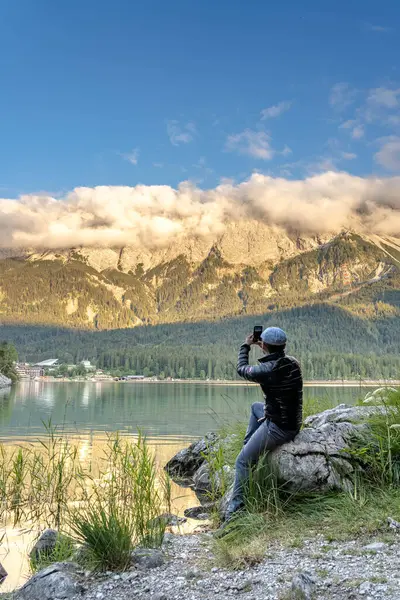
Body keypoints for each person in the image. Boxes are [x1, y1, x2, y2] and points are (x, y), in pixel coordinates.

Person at [224, 326, 303, 523]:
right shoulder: (292, 363)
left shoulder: (268, 369)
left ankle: (235, 514)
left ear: (265, 345)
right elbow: (277, 358)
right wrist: (266, 348)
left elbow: (242, 369)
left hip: (279, 427)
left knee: (241, 462)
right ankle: (249, 447)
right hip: (290, 420)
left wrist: (246, 346)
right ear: (283, 346)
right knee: (255, 407)